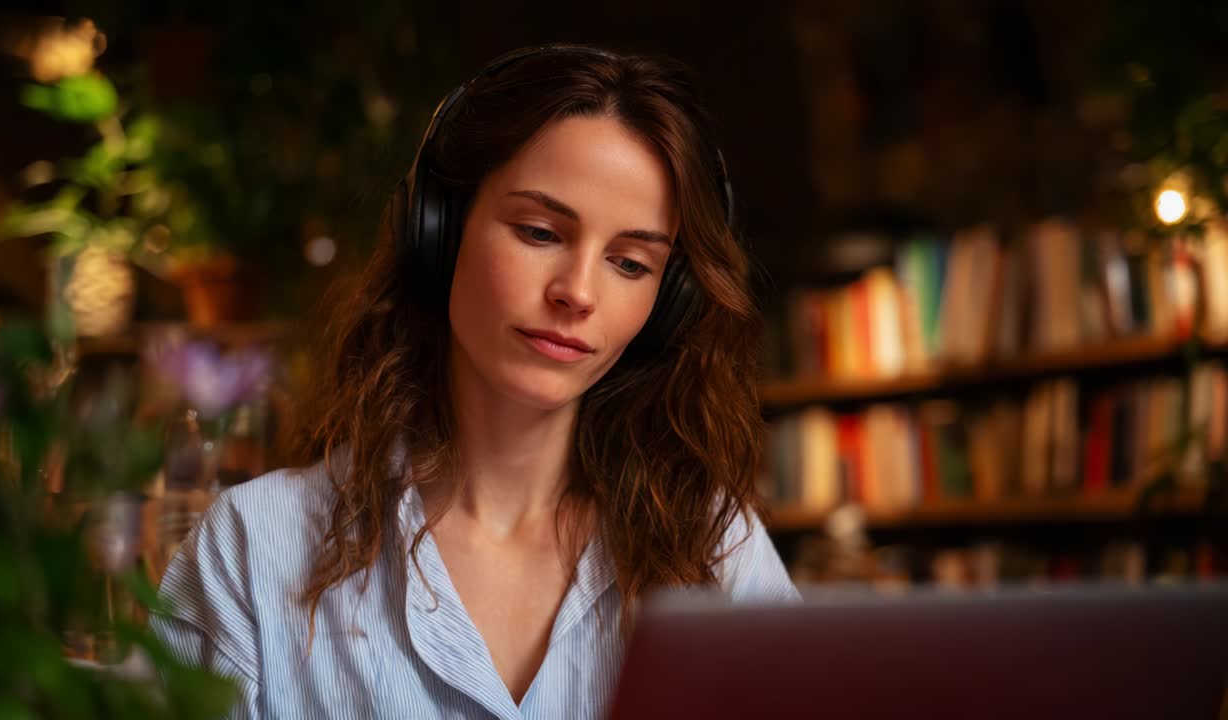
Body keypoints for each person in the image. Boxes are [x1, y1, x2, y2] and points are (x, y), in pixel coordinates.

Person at [151, 43, 799, 720]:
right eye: (539, 231)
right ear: (439, 229)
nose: (578, 292)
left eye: (631, 264)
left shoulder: (716, 547)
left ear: (670, 305)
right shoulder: (254, 545)